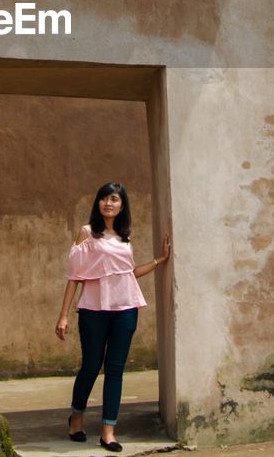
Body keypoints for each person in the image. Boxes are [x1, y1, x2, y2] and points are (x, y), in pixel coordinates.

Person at [55, 182, 171, 452]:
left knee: (116, 370)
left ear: (122, 205)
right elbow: (75, 276)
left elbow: (127, 273)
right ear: (98, 203)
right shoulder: (87, 233)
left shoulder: (124, 237)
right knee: (91, 366)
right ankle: (76, 418)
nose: (109, 203)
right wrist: (63, 316)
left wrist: (159, 260)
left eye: (115, 199)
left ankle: (108, 431)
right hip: (93, 312)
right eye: (104, 199)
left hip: (125, 310)